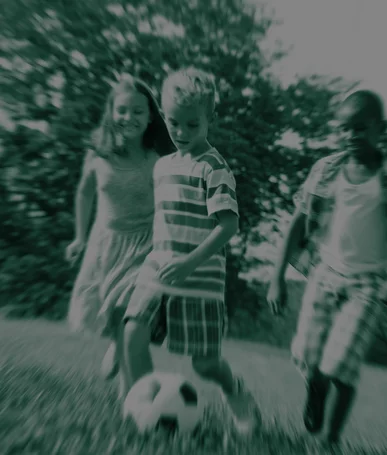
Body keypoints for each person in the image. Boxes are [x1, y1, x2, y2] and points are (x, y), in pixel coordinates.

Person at [267, 90, 387, 445]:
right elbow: (297, 222)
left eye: (360, 128)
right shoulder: (326, 170)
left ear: (380, 129)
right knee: (307, 357)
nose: (351, 136)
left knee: (341, 363)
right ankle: (315, 387)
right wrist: (277, 277)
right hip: (323, 272)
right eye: (344, 129)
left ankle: (330, 439)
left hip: (369, 283)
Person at [121, 67, 260, 435]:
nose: (181, 133)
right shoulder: (163, 166)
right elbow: (163, 222)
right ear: (162, 116)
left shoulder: (214, 168)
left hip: (198, 279)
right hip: (158, 271)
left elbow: (228, 225)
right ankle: (146, 415)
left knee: (205, 364)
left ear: (210, 118)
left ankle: (237, 392)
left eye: (192, 125)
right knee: (133, 333)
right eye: (173, 122)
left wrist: (189, 262)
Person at [66, 75, 175, 398]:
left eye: (138, 111)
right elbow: (85, 194)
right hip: (107, 244)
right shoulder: (98, 153)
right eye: (122, 110)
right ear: (111, 111)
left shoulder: (159, 155)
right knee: (115, 315)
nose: (129, 118)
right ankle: (117, 343)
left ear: (151, 115)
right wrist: (79, 237)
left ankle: (135, 400)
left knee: (131, 314)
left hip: (147, 246)